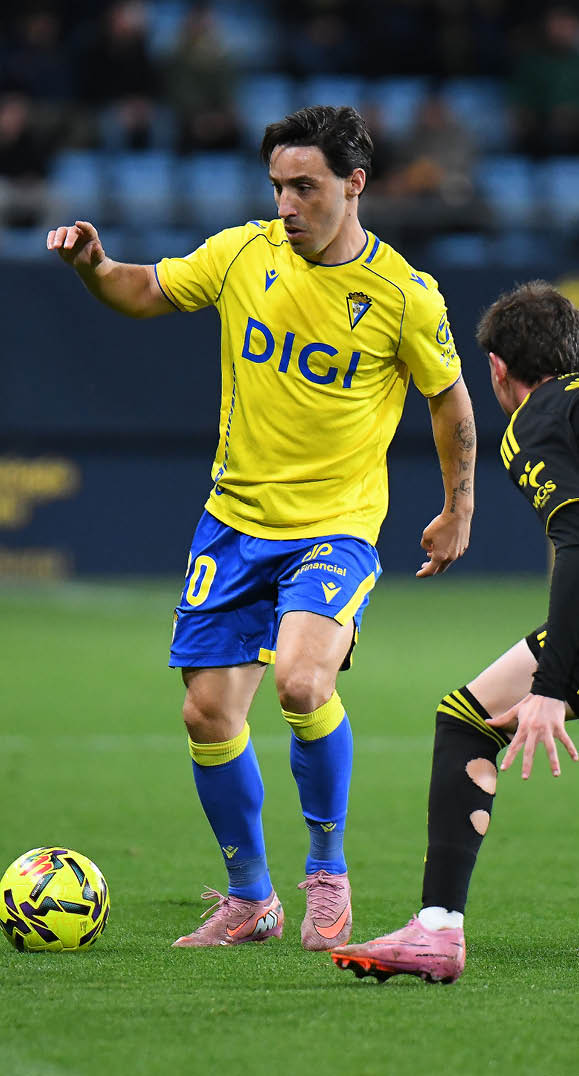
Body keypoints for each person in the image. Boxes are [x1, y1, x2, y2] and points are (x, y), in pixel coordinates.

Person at [46, 105, 475, 950]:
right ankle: (251, 899)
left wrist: (457, 507)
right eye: (277, 185)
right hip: (234, 522)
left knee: (302, 683)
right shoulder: (243, 253)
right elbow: (148, 288)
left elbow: (448, 399)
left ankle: (326, 873)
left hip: (336, 526)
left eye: (304, 186)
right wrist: (96, 267)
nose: (285, 202)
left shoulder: (402, 295)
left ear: (353, 186)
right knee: (208, 716)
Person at [332, 280, 579, 984]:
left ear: (497, 370)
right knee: (468, 716)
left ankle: (437, 929)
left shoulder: (536, 421)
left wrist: (552, 687)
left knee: (469, 722)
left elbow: (577, 539)